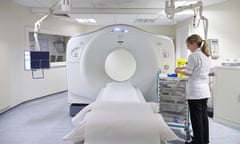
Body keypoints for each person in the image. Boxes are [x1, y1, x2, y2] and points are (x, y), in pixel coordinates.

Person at [175, 34, 211, 144]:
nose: (187, 47)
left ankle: (198, 141)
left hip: (195, 92)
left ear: (194, 44)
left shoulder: (193, 56)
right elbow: (196, 67)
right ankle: (204, 140)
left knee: (196, 120)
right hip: (204, 91)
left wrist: (178, 71)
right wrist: (184, 67)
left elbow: (189, 72)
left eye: (188, 45)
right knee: (204, 118)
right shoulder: (205, 55)